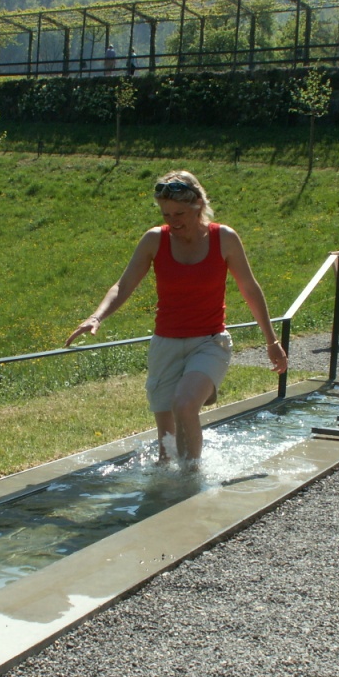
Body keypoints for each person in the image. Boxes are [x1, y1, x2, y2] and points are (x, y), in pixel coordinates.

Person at [65, 171, 288, 469]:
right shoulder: (154, 240)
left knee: (184, 404)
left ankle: (192, 478)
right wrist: (96, 316)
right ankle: (169, 483)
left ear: (198, 205)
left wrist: (272, 341)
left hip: (210, 342)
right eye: (166, 214)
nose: (173, 220)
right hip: (165, 345)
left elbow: (249, 288)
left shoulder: (224, 238)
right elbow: (123, 284)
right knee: (166, 448)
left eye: (180, 213)